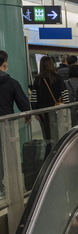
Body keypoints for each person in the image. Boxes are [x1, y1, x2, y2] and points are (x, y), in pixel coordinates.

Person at [0, 50, 30, 199]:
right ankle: (9, 188)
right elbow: (24, 104)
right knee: (8, 156)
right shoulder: (12, 83)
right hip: (7, 126)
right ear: (5, 63)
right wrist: (27, 116)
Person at [31, 56, 70, 140]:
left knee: (47, 135)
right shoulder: (58, 78)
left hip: (42, 113)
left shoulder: (38, 79)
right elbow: (65, 96)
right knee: (58, 133)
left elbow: (34, 98)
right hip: (57, 111)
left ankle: (49, 150)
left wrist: (35, 112)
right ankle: (59, 150)